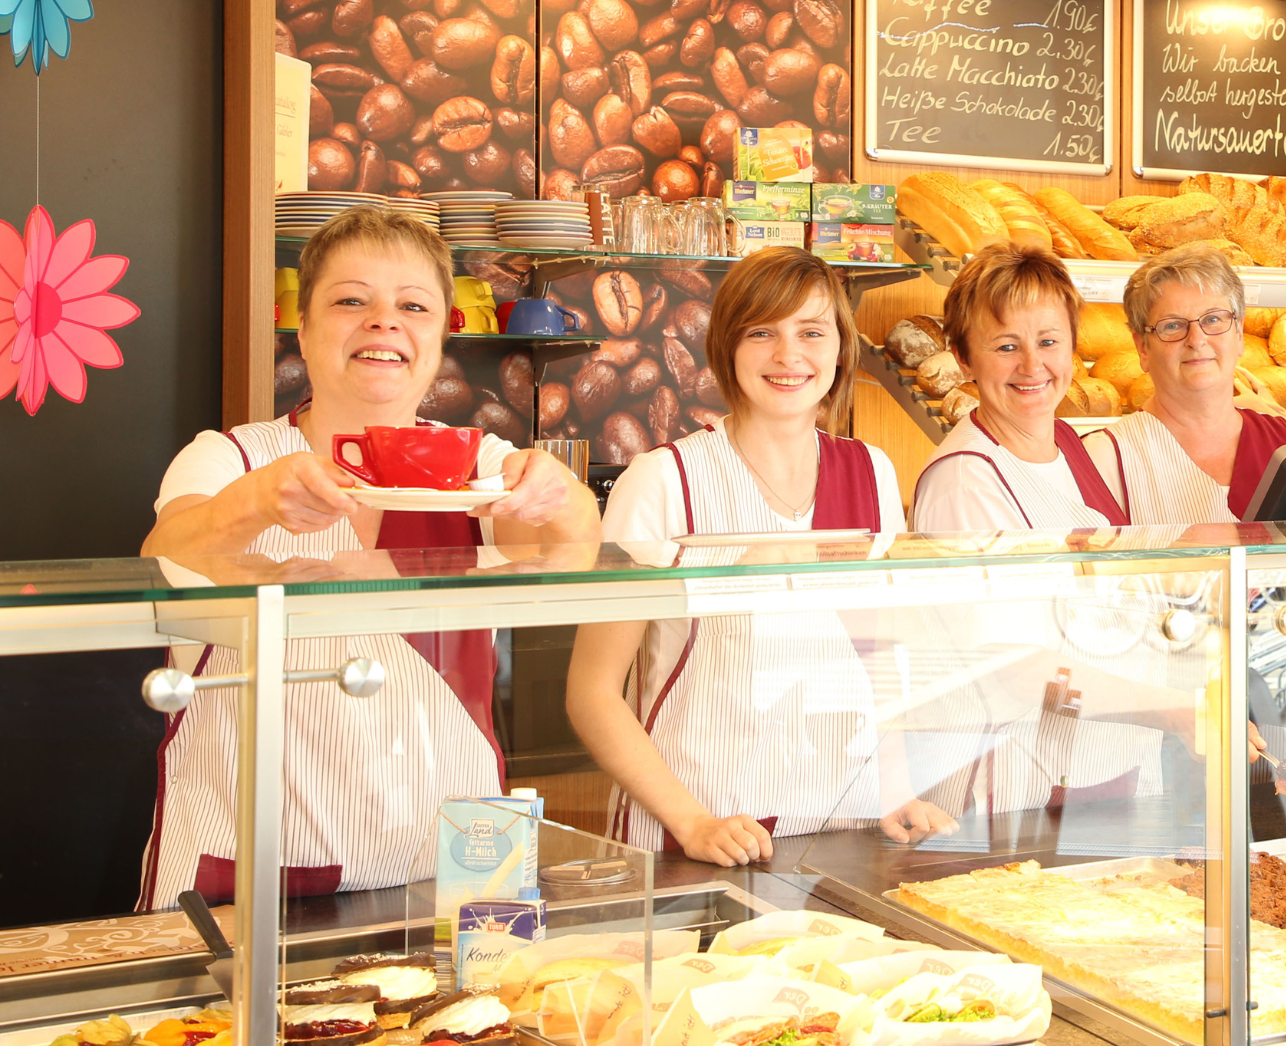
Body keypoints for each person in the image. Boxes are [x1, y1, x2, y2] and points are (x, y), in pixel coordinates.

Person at [138, 205, 599, 909]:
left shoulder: (480, 465)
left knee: (476, 1024)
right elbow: (161, 561)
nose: (384, 322)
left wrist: (559, 495)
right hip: (261, 861)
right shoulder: (226, 457)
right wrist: (256, 504)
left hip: (461, 857)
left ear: (441, 334)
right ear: (305, 325)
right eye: (351, 300)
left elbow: (574, 553)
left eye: (413, 305)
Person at [565, 246, 951, 867]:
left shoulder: (871, 472)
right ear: (727, 348)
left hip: (838, 822)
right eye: (762, 332)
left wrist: (895, 786)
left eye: (811, 332)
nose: (788, 355)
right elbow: (592, 692)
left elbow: (883, 653)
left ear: (840, 350)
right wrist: (693, 822)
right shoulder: (663, 481)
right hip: (695, 828)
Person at [1082, 245, 1286, 524]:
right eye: (1172, 326)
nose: (1196, 339)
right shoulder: (1103, 459)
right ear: (1142, 347)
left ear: (1239, 333)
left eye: (1213, 319)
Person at [911, 243, 1129, 532]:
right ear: (964, 359)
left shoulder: (1065, 440)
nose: (1032, 366)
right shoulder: (964, 484)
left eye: (1048, 342)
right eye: (1007, 347)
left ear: (1073, 345)